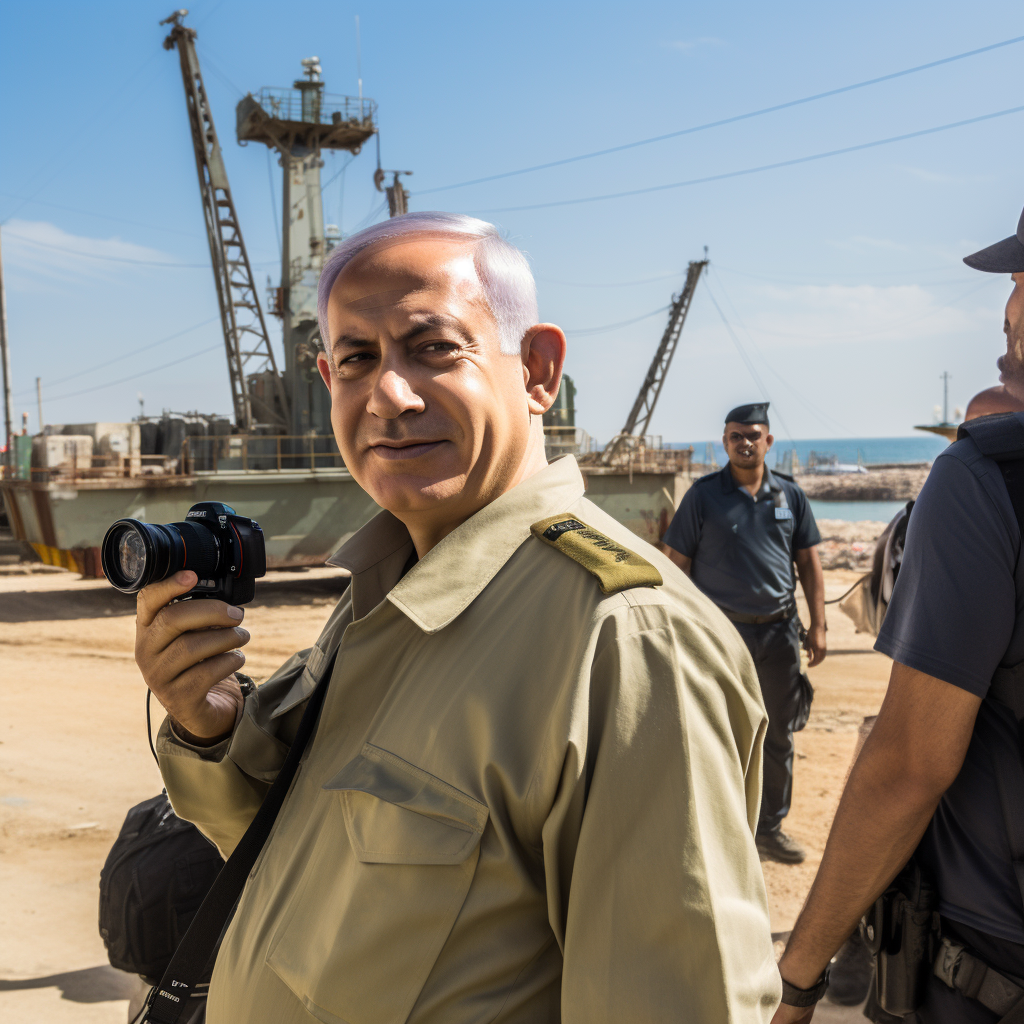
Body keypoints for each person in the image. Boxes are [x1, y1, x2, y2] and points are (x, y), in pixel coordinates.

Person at [136, 211, 781, 1023]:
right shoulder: (393, 587)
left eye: (433, 348)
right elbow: (294, 854)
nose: (389, 396)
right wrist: (210, 725)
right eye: (356, 360)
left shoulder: (625, 642)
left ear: (538, 369)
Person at [772, 204, 1024, 1023]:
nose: (1010, 304)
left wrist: (798, 977)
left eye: (1021, 279)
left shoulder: (987, 480)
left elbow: (910, 763)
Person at [659, 403, 826, 865]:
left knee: (778, 735)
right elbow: (676, 565)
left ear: (768, 441)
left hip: (779, 637)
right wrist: (678, 627)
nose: (745, 443)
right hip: (720, 638)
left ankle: (769, 830)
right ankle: (724, 829)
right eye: (736, 436)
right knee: (719, 733)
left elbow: (809, 563)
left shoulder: (790, 497)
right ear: (724, 442)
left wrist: (820, 628)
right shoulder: (704, 496)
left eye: (753, 435)